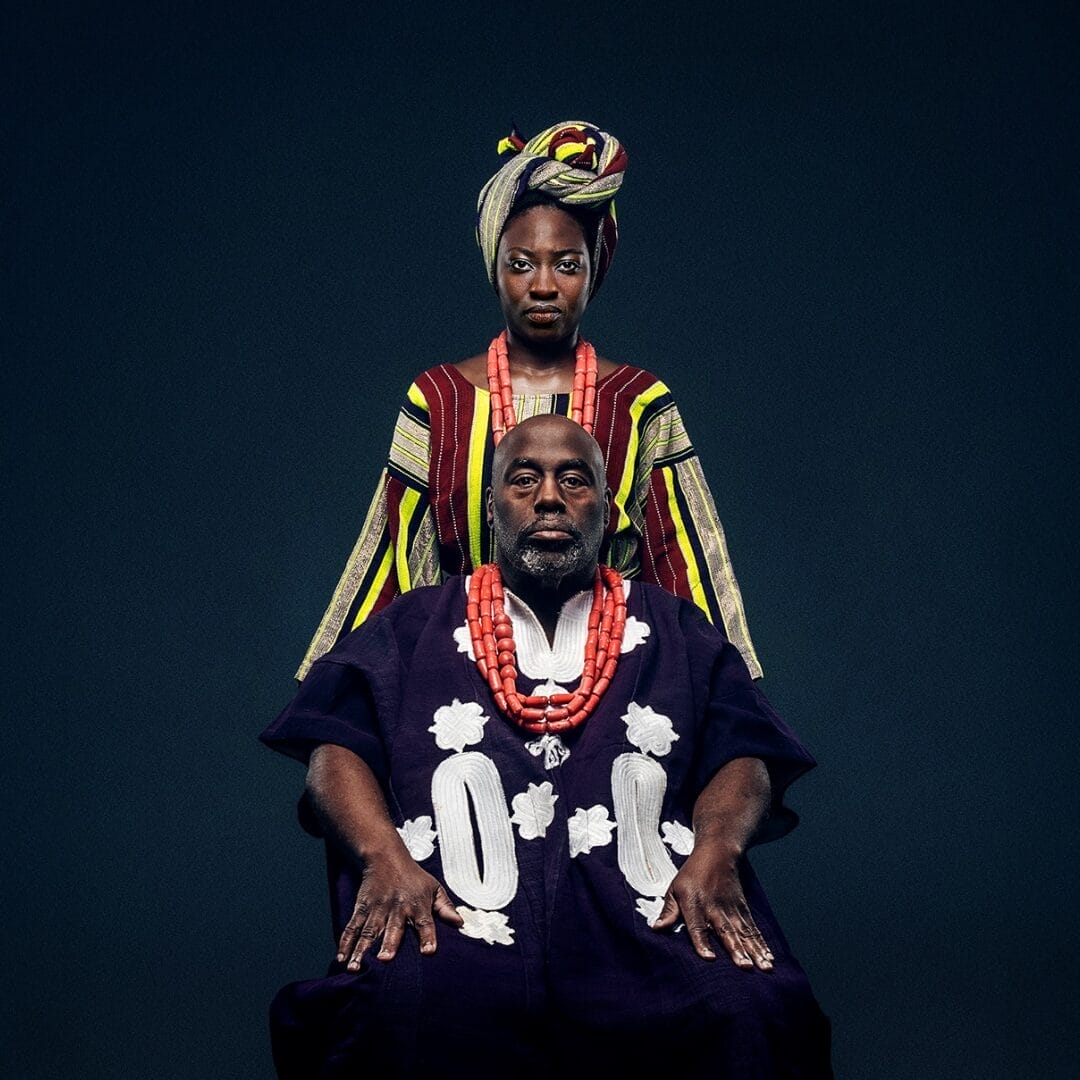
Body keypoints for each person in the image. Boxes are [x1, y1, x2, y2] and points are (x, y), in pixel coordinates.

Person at [262, 415, 832, 1078]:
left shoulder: (673, 624)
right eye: (524, 479)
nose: (550, 497)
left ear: (609, 510)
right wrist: (383, 856)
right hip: (457, 921)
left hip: (644, 918)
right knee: (391, 1006)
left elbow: (743, 751)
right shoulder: (413, 625)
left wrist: (718, 851)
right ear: (493, 505)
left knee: (752, 1006)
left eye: (575, 479)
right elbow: (335, 751)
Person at [296, 120, 762, 683]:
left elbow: (684, 564)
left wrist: (728, 697)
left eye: (567, 264)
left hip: (616, 690)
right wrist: (345, 705)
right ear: (494, 269)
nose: (543, 285)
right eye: (521, 263)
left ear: (594, 271)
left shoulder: (640, 402)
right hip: (461, 689)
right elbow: (393, 568)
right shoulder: (439, 399)